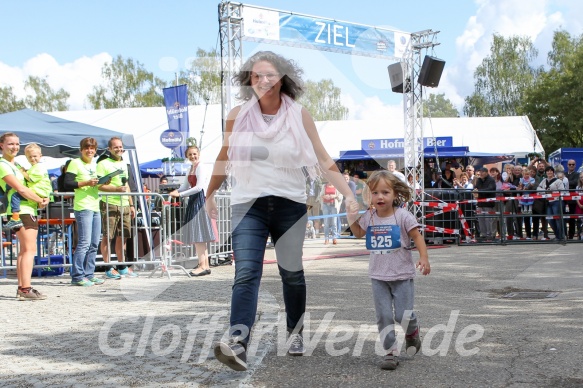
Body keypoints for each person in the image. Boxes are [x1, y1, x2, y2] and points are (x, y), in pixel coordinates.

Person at [205, 51, 358, 371]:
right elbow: (224, 155)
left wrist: (349, 195)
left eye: (270, 75)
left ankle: (296, 331)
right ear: (249, 80)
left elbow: (322, 157)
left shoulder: (299, 115)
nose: (263, 81)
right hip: (248, 205)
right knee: (246, 271)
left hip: (289, 204)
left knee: (291, 273)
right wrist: (209, 193)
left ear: (282, 79)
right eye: (256, 75)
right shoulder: (237, 115)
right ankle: (237, 343)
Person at [349, 170, 430, 370]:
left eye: (385, 192)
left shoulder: (403, 216)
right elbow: (358, 233)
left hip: (402, 275)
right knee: (384, 315)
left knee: (403, 315)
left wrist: (424, 257)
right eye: (375, 193)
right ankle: (390, 352)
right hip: (378, 276)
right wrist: (351, 216)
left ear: (395, 194)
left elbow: (417, 237)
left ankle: (412, 334)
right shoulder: (369, 216)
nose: (380, 197)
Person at [0, 132, 50, 300]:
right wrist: (39, 200)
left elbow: (32, 184)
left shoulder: (15, 165)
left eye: (17, 144)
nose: (14, 147)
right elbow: (20, 189)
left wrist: (45, 196)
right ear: (2, 145)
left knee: (24, 250)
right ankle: (26, 289)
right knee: (29, 250)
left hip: (26, 209)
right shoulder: (3, 165)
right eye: (10, 144)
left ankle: (23, 287)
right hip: (22, 210)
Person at [168, 144, 216, 277]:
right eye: (190, 154)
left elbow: (199, 187)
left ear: (198, 154)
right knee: (199, 236)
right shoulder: (191, 168)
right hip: (195, 200)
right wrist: (175, 191)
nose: (193, 156)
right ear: (187, 157)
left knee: (198, 235)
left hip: (199, 200)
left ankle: (202, 265)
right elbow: (185, 186)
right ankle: (205, 265)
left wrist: (180, 195)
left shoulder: (201, 167)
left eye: (194, 154)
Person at [63, 137, 104, 286]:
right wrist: (86, 182)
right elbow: (66, 183)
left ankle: (89, 273)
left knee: (94, 243)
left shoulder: (95, 164)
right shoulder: (75, 163)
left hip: (95, 206)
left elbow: (97, 185)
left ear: (95, 150)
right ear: (81, 150)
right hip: (83, 206)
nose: (89, 150)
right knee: (84, 243)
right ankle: (77, 276)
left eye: (92, 148)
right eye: (86, 148)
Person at [97, 136, 137, 279]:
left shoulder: (124, 164)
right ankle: (108, 267)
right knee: (108, 236)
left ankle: (122, 266)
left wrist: (131, 204)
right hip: (109, 203)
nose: (119, 149)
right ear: (109, 149)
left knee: (123, 236)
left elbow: (126, 186)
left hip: (125, 204)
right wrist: (115, 189)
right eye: (116, 147)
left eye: (120, 147)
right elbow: (99, 184)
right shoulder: (103, 164)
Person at [3, 143, 53, 230]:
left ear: (40, 156)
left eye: (35, 156)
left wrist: (22, 172)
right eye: (30, 157)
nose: (32, 159)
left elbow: (30, 178)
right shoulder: (35, 167)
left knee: (15, 196)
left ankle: (15, 218)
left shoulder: (38, 167)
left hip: (37, 191)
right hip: (39, 192)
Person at [537, 166, 565, 240]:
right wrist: (545, 191)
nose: (549, 172)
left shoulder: (558, 181)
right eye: (547, 171)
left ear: (553, 172)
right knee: (550, 219)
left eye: (551, 171)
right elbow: (538, 188)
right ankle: (557, 234)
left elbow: (562, 191)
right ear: (546, 172)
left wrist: (552, 192)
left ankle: (560, 236)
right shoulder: (544, 180)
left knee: (557, 219)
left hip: (556, 201)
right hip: (548, 202)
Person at [473, 167, 497, 240]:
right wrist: (477, 190)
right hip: (480, 202)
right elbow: (476, 188)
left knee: (489, 220)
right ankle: (483, 234)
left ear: (486, 173)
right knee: (481, 219)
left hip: (489, 203)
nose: (481, 174)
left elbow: (490, 189)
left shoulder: (491, 180)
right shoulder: (479, 180)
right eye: (480, 172)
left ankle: (491, 234)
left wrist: (479, 191)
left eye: (482, 172)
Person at [320, 180, 341, 244]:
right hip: (325, 205)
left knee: (334, 222)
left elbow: (340, 196)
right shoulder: (324, 186)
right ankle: (326, 238)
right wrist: (324, 196)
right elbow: (320, 195)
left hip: (334, 205)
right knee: (326, 222)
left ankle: (334, 238)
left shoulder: (337, 186)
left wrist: (334, 196)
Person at [565, 160, 579, 239]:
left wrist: (565, 182)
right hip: (564, 199)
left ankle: (571, 235)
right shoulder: (565, 174)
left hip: (572, 200)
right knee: (563, 218)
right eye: (570, 164)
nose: (571, 166)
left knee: (572, 219)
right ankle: (564, 234)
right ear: (567, 165)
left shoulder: (577, 174)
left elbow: (575, 182)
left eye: (573, 164)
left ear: (575, 165)